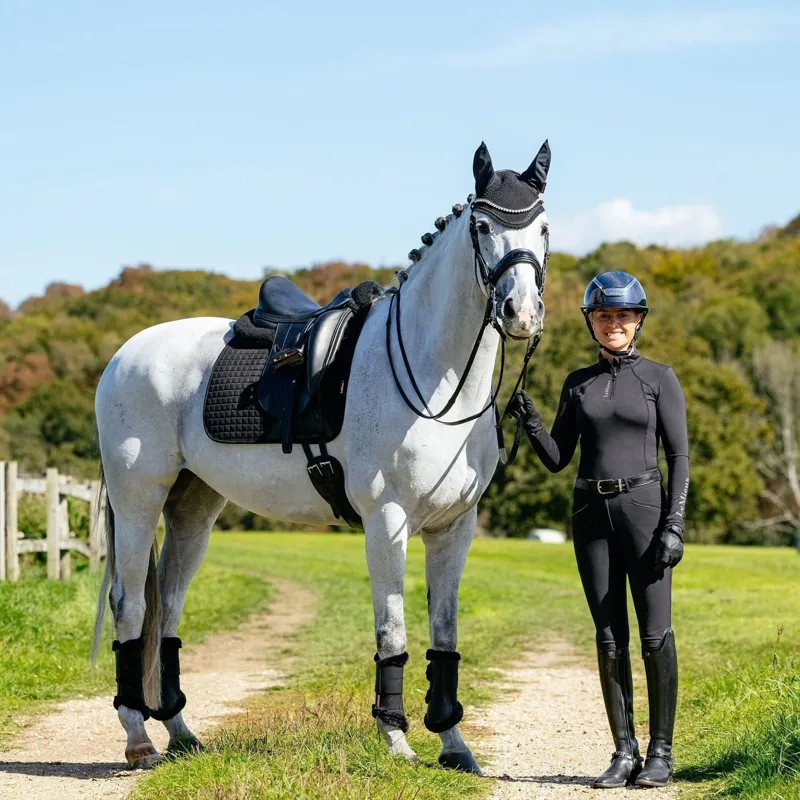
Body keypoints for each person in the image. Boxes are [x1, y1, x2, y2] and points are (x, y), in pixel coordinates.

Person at [508, 271, 688, 789]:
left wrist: (674, 524)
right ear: (591, 321)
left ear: (638, 320)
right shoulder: (577, 383)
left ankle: (660, 754)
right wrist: (531, 421)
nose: (614, 324)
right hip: (590, 514)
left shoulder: (660, 379)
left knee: (654, 634)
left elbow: (679, 456)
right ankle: (624, 752)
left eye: (623, 315)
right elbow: (558, 458)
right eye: (604, 315)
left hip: (644, 510)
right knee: (609, 636)